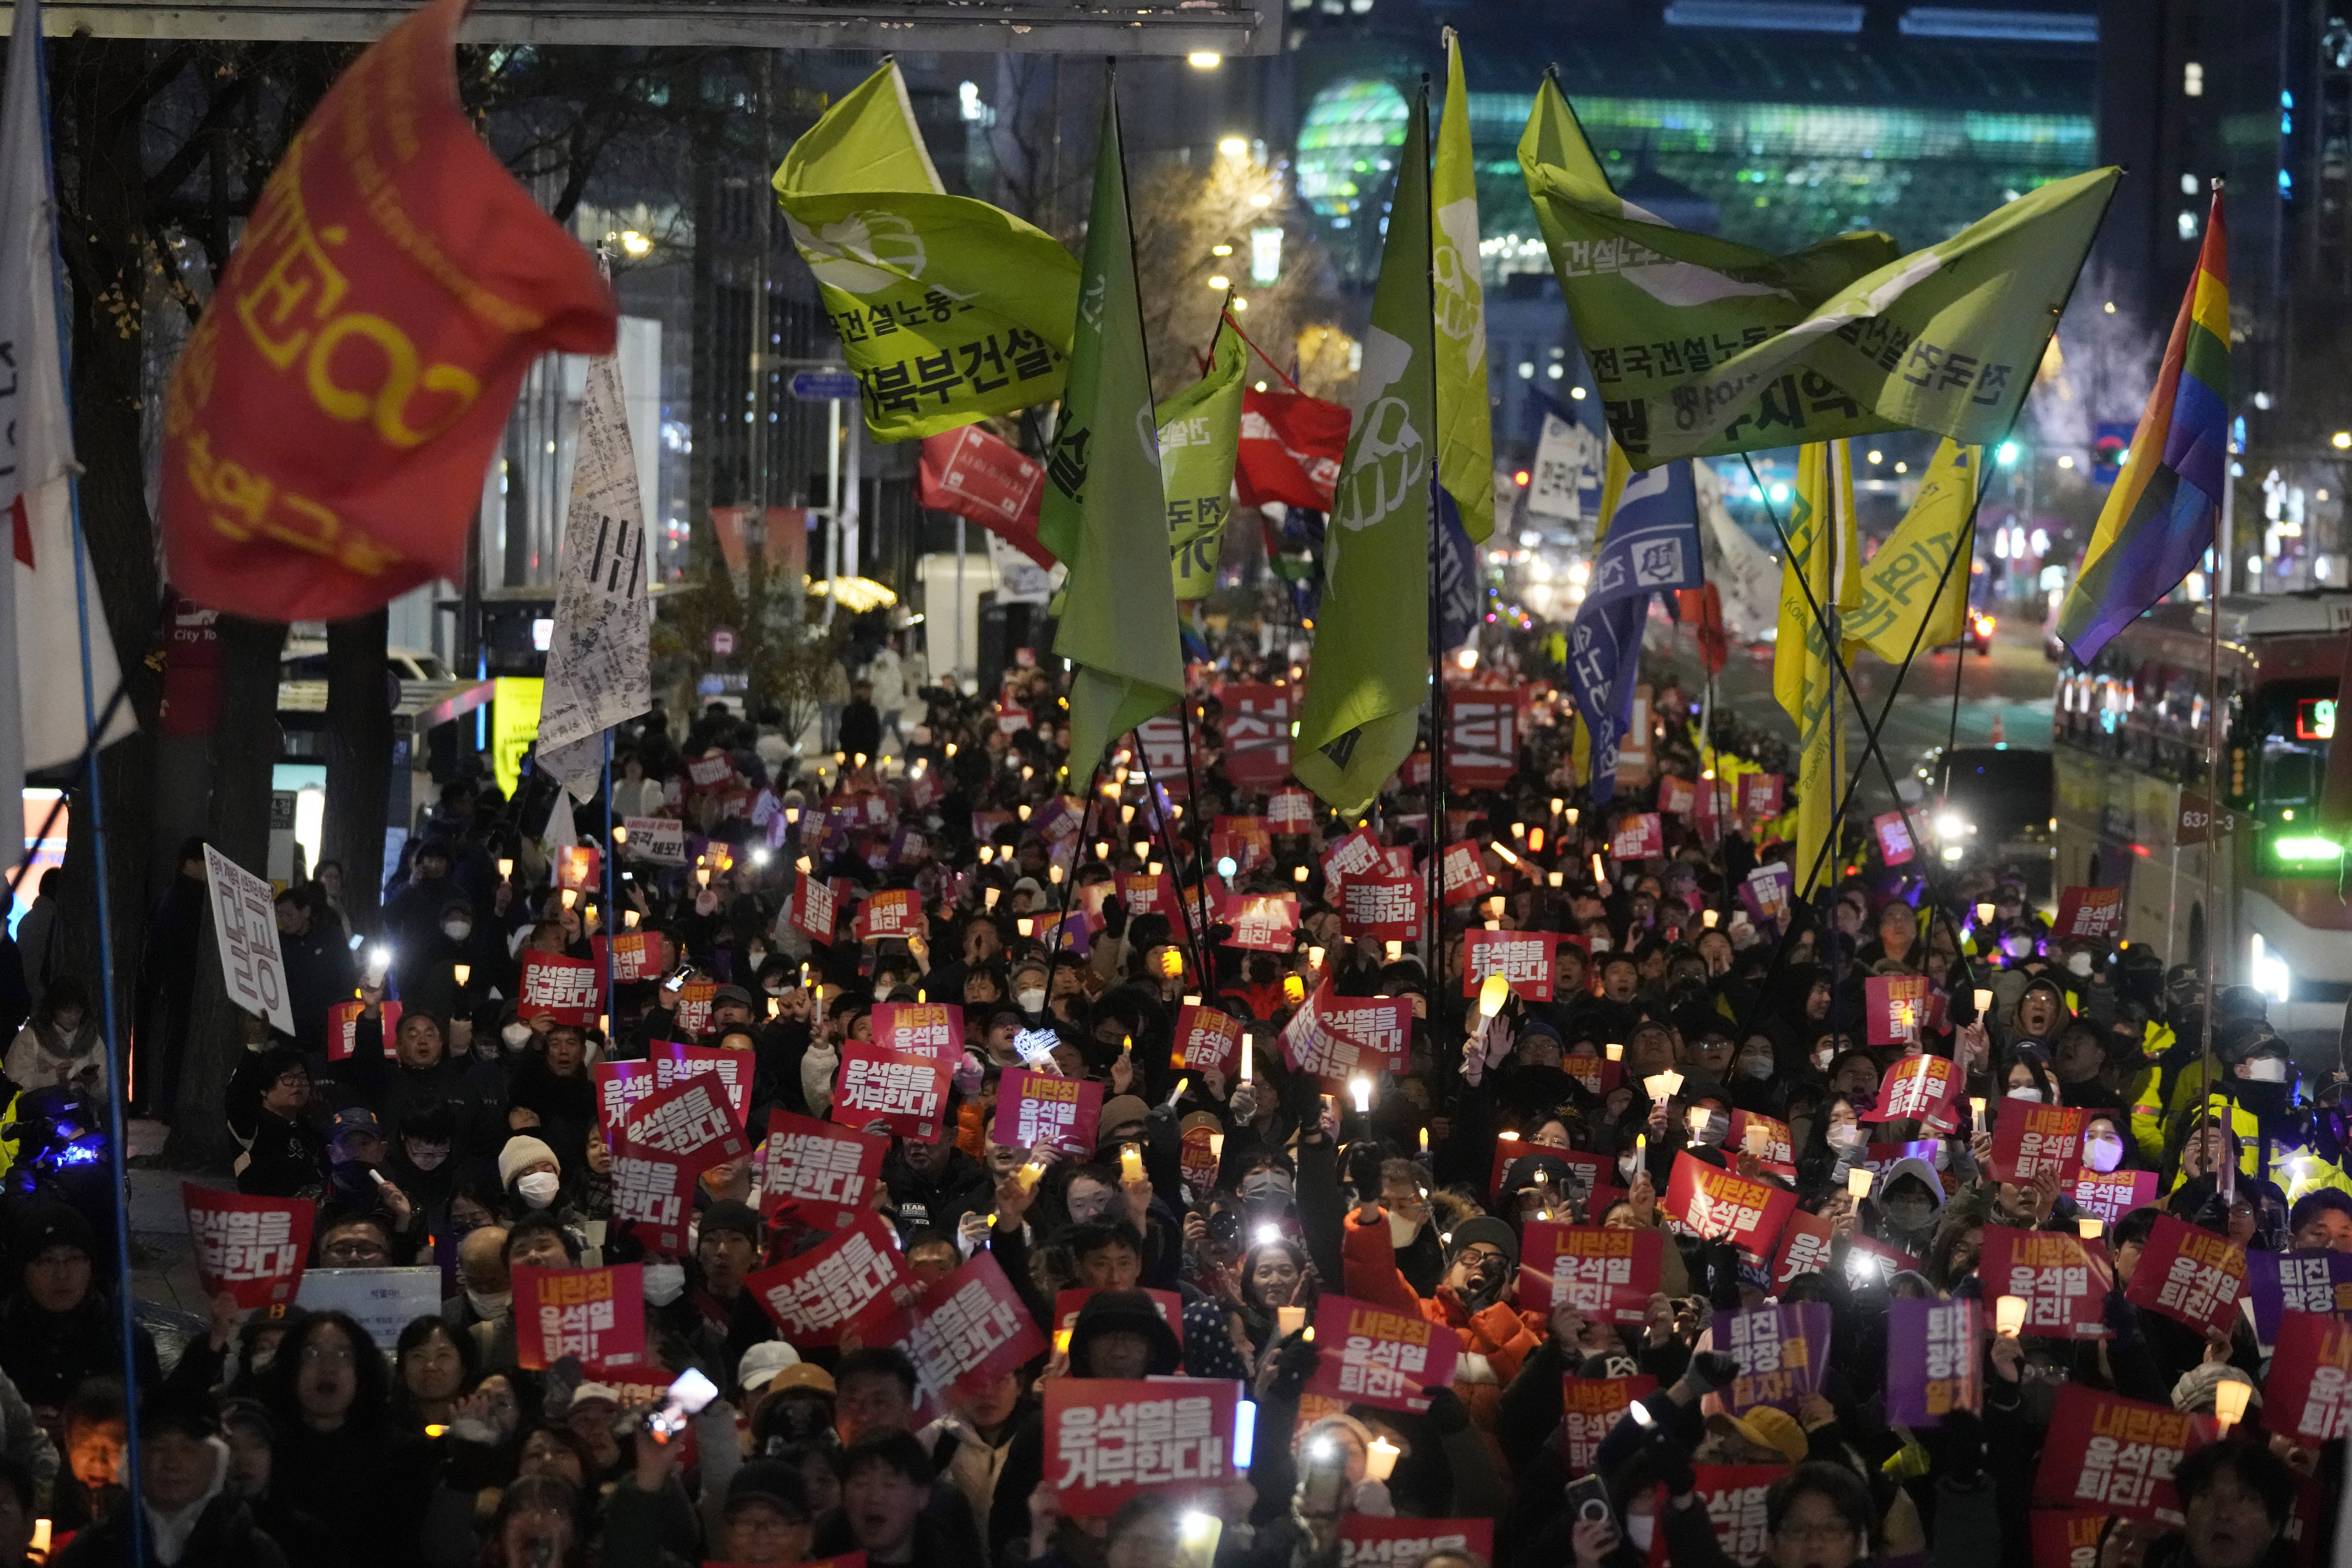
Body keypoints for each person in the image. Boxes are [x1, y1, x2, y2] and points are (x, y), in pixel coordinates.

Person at [53, 1390, 291, 1568]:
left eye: (189, 1449)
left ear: (216, 1459)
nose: (172, 1463)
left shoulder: (254, 1553)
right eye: (158, 1448)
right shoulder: (93, 1550)